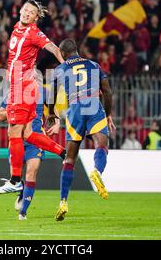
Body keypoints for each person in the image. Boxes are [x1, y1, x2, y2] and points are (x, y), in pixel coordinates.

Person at [0, 0, 66, 194]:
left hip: (22, 87)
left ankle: (15, 181)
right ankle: (64, 152)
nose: (26, 13)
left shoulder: (34, 33)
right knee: (27, 134)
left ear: (35, 18)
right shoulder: (17, 27)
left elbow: (54, 48)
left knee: (13, 134)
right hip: (24, 86)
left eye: (31, 12)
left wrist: (67, 65)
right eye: (25, 9)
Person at [47, 39, 116, 221]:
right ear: (77, 50)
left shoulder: (60, 69)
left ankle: (63, 201)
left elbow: (51, 93)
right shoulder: (93, 64)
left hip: (75, 109)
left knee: (70, 158)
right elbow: (107, 91)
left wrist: (51, 114)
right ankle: (97, 171)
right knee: (101, 145)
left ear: (62, 54)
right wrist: (107, 114)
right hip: (93, 105)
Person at [0, 86, 60, 220]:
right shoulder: (12, 93)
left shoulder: (43, 91)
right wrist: (16, 112)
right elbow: (0, 115)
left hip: (35, 140)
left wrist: (57, 122)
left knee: (31, 172)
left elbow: (53, 108)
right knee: (16, 176)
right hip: (16, 141)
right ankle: (21, 189)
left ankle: (23, 212)